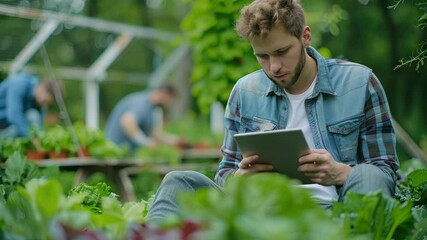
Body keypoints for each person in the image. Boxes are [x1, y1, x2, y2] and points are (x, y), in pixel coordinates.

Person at [146, 0, 399, 220]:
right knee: (177, 181)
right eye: (262, 56)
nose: (274, 67)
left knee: (369, 175)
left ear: (305, 36)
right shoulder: (245, 92)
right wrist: (240, 178)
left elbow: (384, 172)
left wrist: (338, 172)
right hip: (260, 215)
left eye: (282, 52)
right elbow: (225, 173)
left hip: (338, 211)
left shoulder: (359, 82)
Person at [105, 85, 180, 152]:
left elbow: (155, 133)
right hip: (118, 150)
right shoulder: (142, 103)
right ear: (164, 95)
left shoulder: (153, 108)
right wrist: (146, 142)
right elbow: (127, 122)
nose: (169, 104)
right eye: (170, 100)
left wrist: (174, 141)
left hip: (128, 151)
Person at [0, 72, 56, 138]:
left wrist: (40, 138)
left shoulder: (38, 100)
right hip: (4, 124)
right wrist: (32, 136)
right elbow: (14, 115)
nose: (45, 105)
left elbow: (40, 126)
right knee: (33, 116)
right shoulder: (19, 84)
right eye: (45, 101)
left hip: (6, 126)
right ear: (41, 88)